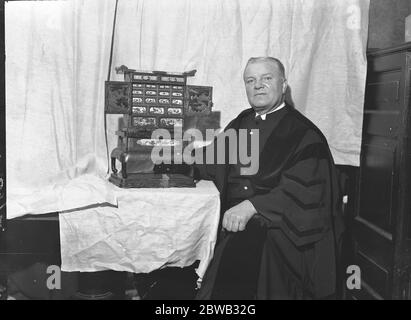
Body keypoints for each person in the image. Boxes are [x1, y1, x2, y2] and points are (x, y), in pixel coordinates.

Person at [194, 57, 344, 300]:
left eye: (266, 78)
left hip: (279, 230)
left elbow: (307, 193)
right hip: (234, 223)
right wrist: (171, 158)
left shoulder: (304, 134)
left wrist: (253, 206)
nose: (258, 85)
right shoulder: (242, 122)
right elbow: (210, 158)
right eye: (250, 80)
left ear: (283, 85)